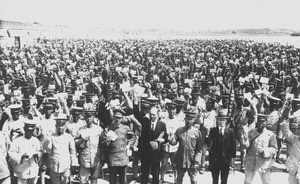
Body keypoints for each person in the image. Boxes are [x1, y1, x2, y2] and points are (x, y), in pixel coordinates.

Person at [169, 107, 202, 184]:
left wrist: (197, 161)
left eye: (191, 119)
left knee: (194, 180)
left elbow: (199, 149)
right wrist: (171, 139)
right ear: (185, 118)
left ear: (194, 120)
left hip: (192, 159)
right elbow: (174, 142)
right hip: (181, 159)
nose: (189, 120)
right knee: (179, 178)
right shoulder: (179, 130)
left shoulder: (197, 132)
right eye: (187, 118)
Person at [43, 113, 79, 184]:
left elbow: (73, 151)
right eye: (58, 126)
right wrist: (47, 139)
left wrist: (74, 163)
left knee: (65, 182)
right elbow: (47, 149)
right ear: (56, 126)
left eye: (62, 126)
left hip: (65, 165)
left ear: (65, 126)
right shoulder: (52, 137)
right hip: (54, 166)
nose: (60, 128)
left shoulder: (68, 137)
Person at [104, 109, 137, 184]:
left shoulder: (126, 128)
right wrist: (107, 141)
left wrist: (129, 145)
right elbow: (104, 143)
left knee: (123, 180)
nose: (117, 120)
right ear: (113, 117)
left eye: (119, 118)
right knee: (112, 180)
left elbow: (133, 137)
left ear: (122, 119)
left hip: (122, 157)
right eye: (116, 117)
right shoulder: (108, 128)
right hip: (112, 157)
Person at [243, 114, 278, 184]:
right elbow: (246, 146)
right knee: (247, 182)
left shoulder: (270, 134)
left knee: (266, 182)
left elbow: (274, 149)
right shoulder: (251, 132)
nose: (261, 124)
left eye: (263, 122)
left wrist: (265, 151)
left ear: (266, 123)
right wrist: (245, 140)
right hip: (251, 162)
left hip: (264, 163)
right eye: (259, 121)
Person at [139, 106, 168, 184]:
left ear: (157, 114)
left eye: (154, 115)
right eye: (151, 114)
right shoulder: (145, 123)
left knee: (155, 174)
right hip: (146, 153)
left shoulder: (162, 124)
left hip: (156, 153)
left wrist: (162, 140)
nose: (152, 116)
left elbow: (166, 137)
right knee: (144, 174)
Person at [8, 118, 42, 184]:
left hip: (33, 171)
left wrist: (37, 155)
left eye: (31, 131)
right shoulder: (17, 141)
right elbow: (11, 153)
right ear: (24, 129)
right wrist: (21, 157)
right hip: (22, 172)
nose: (29, 132)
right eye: (27, 130)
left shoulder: (36, 141)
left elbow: (40, 152)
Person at [75, 110, 104, 184]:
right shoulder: (81, 129)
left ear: (93, 117)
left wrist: (103, 157)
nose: (88, 119)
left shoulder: (98, 129)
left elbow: (102, 143)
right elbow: (75, 142)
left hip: (95, 157)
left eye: (90, 117)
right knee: (83, 180)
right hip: (85, 157)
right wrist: (81, 140)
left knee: (94, 178)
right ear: (84, 118)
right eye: (87, 117)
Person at [209, 108, 236, 184]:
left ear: (226, 120)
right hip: (215, 159)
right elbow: (209, 144)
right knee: (215, 179)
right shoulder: (213, 130)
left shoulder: (230, 131)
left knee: (224, 180)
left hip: (225, 159)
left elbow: (233, 145)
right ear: (217, 120)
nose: (222, 122)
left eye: (223, 120)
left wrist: (232, 159)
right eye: (220, 120)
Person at [160, 102, 184, 183]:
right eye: (170, 109)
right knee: (164, 163)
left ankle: (175, 178)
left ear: (176, 110)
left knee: (174, 164)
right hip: (166, 145)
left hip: (174, 145)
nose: (171, 111)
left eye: (173, 109)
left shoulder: (178, 121)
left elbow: (180, 133)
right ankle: (162, 178)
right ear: (168, 110)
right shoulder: (164, 120)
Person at [280, 118, 300, 184]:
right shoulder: (295, 139)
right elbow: (286, 132)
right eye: (299, 129)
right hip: (293, 170)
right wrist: (285, 120)